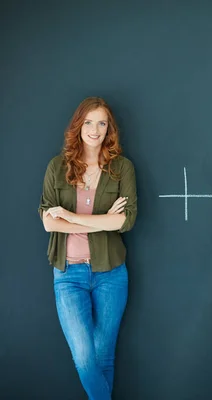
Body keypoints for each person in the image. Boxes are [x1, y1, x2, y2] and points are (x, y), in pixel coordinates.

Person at [38, 97, 137, 400]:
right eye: (89, 122)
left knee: (104, 357)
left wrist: (68, 215)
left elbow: (127, 220)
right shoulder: (57, 167)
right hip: (68, 275)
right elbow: (48, 222)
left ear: (110, 129)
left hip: (111, 273)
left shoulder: (122, 168)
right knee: (84, 357)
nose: (95, 129)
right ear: (78, 125)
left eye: (102, 123)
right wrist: (102, 221)